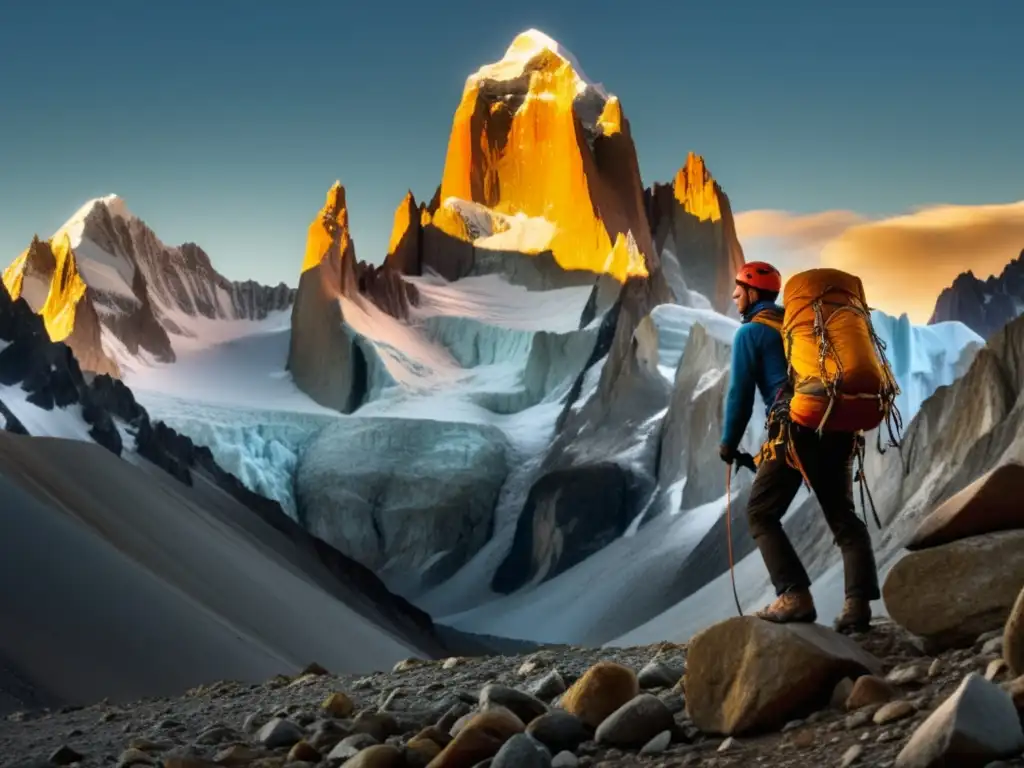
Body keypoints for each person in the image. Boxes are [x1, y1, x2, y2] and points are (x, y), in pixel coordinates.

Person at [718, 261, 878, 634]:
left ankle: (794, 596)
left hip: (796, 429)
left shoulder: (751, 334)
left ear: (754, 293)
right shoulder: (798, 326)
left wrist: (728, 443)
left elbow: (739, 395)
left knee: (761, 513)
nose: (734, 295)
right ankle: (857, 605)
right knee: (843, 518)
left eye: (739, 288)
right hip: (836, 424)